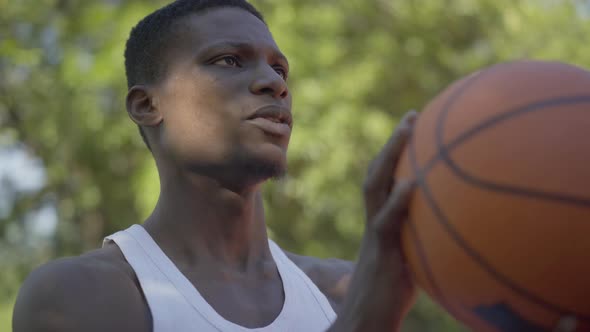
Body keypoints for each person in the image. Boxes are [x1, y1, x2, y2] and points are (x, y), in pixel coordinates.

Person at [10, 1, 579, 331]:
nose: (273, 83)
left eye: (280, 69)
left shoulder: (340, 287)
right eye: (227, 61)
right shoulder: (82, 296)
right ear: (147, 104)